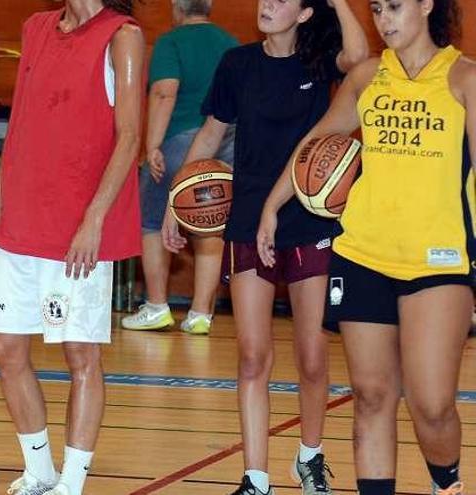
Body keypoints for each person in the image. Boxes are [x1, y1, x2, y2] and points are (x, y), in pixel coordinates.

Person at [257, 1, 471, 494]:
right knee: (372, 397)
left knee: (432, 403)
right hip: (362, 254)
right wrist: (273, 205)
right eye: (376, 9)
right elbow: (319, 140)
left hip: (438, 259)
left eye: (396, 7)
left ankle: (447, 483)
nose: (385, 20)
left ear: (426, 5)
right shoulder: (367, 77)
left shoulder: (464, 78)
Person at [162, 0, 368, 493]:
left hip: (309, 217)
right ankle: (256, 477)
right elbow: (211, 133)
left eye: (281, 0)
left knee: (312, 354)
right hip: (248, 217)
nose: (266, 4)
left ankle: (310, 456)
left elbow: (361, 61)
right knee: (253, 355)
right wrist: (175, 203)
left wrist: (338, 2)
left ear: (303, 14)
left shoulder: (321, 59)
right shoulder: (237, 63)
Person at [0, 0, 144, 494]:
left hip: (77, 227)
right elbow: (23, 124)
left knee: (80, 354)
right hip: (23, 216)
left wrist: (94, 219)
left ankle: (70, 484)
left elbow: (129, 136)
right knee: (6, 346)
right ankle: (39, 470)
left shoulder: (122, 35)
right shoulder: (35, 28)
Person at [121, 0, 236, 334]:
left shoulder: (171, 42)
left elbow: (163, 94)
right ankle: (201, 314)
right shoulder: (230, 42)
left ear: (176, 7)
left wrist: (152, 145)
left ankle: (157, 306)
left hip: (179, 139)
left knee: (152, 221)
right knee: (211, 222)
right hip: (227, 141)